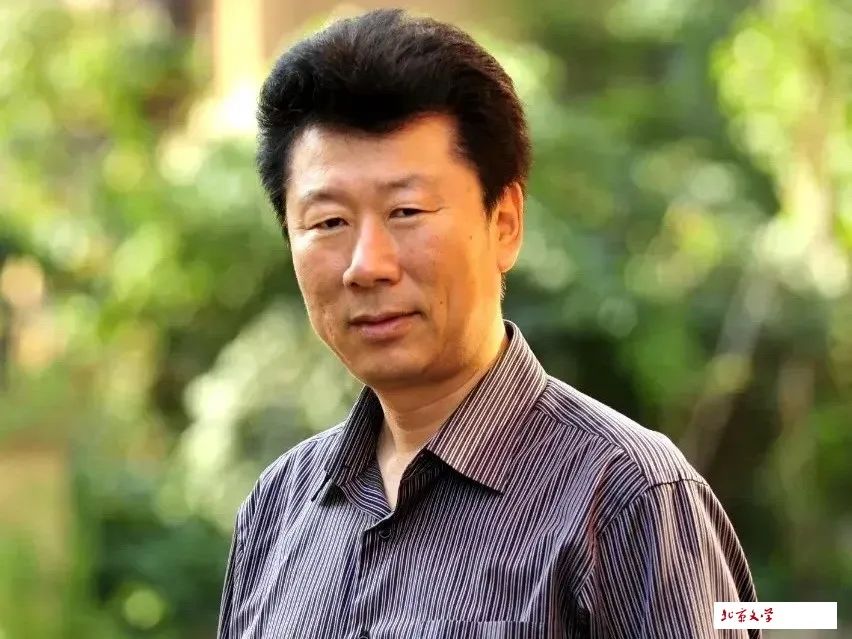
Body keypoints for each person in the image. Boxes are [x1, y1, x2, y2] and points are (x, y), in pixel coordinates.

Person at [216, 8, 759, 638]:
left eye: (406, 211)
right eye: (328, 222)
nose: (367, 265)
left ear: (504, 224)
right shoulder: (277, 511)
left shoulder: (627, 498)